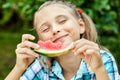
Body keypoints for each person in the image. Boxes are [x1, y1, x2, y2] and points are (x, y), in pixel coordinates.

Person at [5, 0, 120, 80]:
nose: (55, 30)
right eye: (45, 29)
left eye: (62, 21)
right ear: (42, 40)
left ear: (81, 26)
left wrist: (99, 69)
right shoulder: (42, 66)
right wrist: (19, 68)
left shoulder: (103, 59)